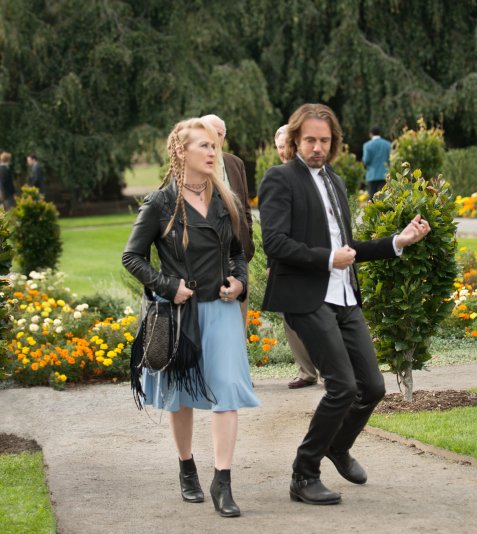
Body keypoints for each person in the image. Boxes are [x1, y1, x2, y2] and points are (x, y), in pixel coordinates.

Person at [258, 103, 430, 505]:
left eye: (324, 140)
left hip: (344, 295)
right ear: (296, 140)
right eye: (310, 140)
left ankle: (337, 446)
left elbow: (347, 249)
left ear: (334, 142)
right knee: (341, 386)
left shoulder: (334, 180)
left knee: (372, 387)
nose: (318, 147)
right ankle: (304, 474)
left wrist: (397, 242)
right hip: (306, 297)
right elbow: (275, 243)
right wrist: (326, 259)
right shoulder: (280, 178)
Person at [122, 117, 259, 518]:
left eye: (214, 145)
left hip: (222, 312)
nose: (213, 152)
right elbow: (131, 257)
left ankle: (223, 481)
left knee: (227, 391)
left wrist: (239, 281)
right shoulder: (160, 203)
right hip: (181, 315)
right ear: (181, 152)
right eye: (204, 145)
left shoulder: (224, 200)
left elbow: (237, 252)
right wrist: (168, 286)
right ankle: (186, 466)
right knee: (179, 395)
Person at [272, 125, 319, 389]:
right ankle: (306, 371)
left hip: (315, 257)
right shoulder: (275, 179)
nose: (283, 150)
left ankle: (329, 370)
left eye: (287, 145)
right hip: (285, 260)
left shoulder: (315, 175)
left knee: (320, 315)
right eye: (279, 146)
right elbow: (272, 230)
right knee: (290, 318)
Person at [201, 114, 255, 326]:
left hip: (238, 253)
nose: (215, 139)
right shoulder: (195, 166)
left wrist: (248, 241)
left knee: (239, 318)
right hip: (207, 257)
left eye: (219, 134)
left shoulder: (235, 163)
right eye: (209, 133)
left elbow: (245, 208)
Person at [362, 125, 392, 197]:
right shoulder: (388, 144)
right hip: (385, 175)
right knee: (384, 197)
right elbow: (390, 159)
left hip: (372, 175)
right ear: (379, 133)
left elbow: (366, 161)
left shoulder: (367, 145)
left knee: (371, 198)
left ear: (370, 134)